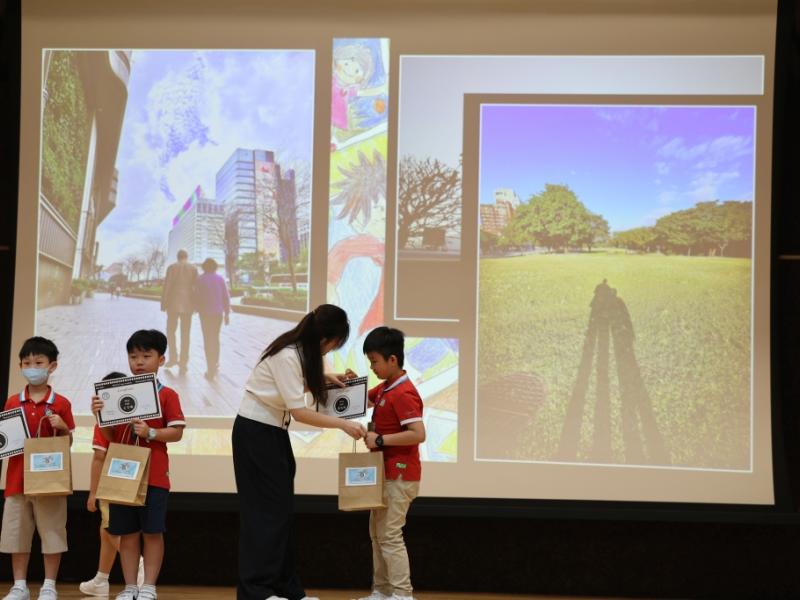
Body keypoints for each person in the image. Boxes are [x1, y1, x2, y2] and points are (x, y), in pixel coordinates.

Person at [232, 304, 366, 600]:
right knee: (264, 515)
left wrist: (325, 380)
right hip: (257, 434)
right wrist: (343, 425)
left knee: (279, 513)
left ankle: (286, 589)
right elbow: (299, 411)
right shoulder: (287, 355)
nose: (330, 352)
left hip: (271, 434)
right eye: (333, 346)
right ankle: (256, 591)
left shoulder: (296, 352)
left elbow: (291, 390)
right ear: (325, 340)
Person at [91, 330, 186, 600]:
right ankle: (130, 586)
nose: (139, 362)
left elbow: (177, 432)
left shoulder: (167, 395)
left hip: (154, 474)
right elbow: (111, 438)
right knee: (127, 534)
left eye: (147, 356)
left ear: (162, 359)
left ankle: (149, 587)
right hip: (122, 472)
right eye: (133, 356)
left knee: (152, 532)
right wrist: (100, 416)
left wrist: (151, 433)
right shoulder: (116, 394)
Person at [0, 337, 75, 600]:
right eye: (27, 363)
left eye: (39, 362)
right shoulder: (12, 402)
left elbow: (68, 443)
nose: (32, 367)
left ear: (52, 366)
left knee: (52, 532)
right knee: (16, 533)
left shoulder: (61, 403)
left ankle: (49, 585)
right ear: (20, 365)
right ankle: (19, 585)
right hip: (16, 480)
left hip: (49, 481)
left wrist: (64, 427)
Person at [359, 327, 425, 600]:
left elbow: (418, 434)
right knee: (378, 535)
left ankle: (401, 594)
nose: (372, 366)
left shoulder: (403, 393)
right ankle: (382, 591)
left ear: (392, 360)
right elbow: (361, 399)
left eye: (374, 361)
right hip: (384, 474)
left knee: (389, 536)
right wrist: (348, 383)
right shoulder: (387, 386)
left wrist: (381, 441)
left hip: (400, 475)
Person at [80, 371, 144, 597]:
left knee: (110, 528)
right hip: (135, 481)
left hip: (114, 483)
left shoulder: (106, 422)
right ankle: (101, 579)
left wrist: (92, 493)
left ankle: (139, 565)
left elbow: (99, 458)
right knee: (105, 529)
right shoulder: (135, 418)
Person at [160, 249, 197, 374]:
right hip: (188, 306)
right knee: (185, 334)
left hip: (173, 305)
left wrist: (163, 303)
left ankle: (173, 358)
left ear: (177, 256)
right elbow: (196, 288)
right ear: (186, 256)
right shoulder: (193, 268)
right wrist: (196, 305)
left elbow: (167, 286)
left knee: (171, 331)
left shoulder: (172, 267)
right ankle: (183, 362)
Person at [195, 258, 230, 380]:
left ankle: (210, 367)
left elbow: (196, 296)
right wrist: (227, 314)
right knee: (215, 338)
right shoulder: (220, 279)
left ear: (204, 267)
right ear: (215, 267)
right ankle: (215, 363)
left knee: (207, 339)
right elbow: (226, 296)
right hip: (217, 314)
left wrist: (197, 308)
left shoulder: (200, 279)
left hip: (204, 314)